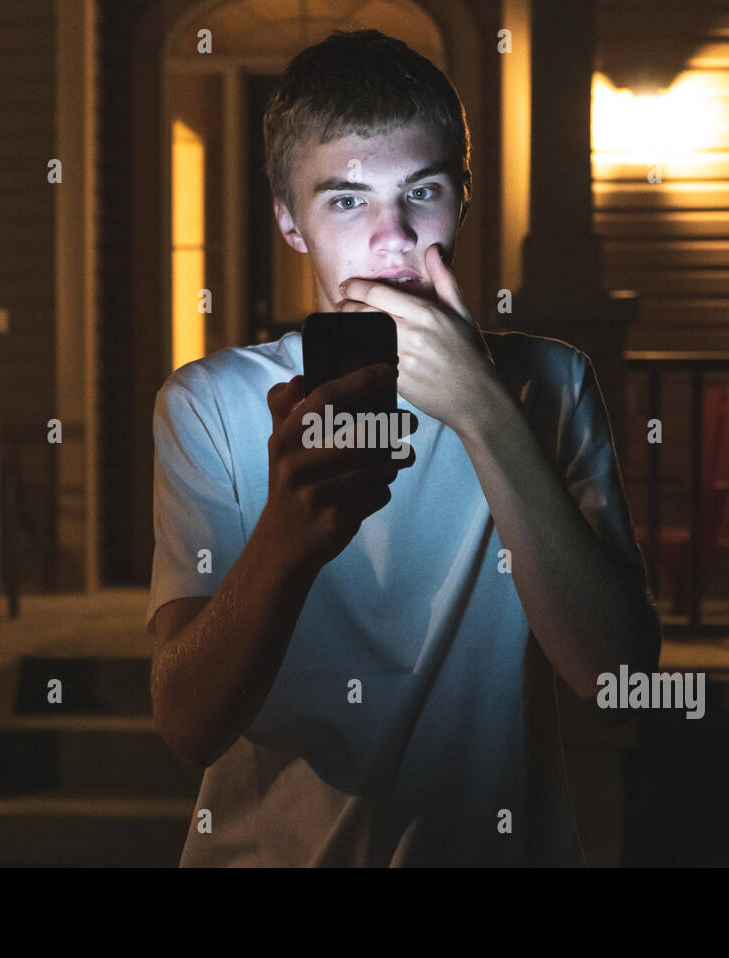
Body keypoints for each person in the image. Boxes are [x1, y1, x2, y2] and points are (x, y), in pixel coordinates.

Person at [146, 28, 661, 867]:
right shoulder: (210, 405)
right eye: (346, 200)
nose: (391, 239)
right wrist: (287, 536)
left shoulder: (550, 385)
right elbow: (187, 725)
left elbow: (618, 687)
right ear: (290, 220)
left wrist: (483, 412)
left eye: (421, 193)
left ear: (462, 196)